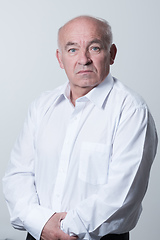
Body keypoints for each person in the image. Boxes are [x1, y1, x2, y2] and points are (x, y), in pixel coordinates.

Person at [2, 15, 158, 240]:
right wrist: (42, 223)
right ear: (60, 58)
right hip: (39, 234)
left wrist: (62, 229)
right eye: (72, 49)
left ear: (111, 54)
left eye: (94, 48)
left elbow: (122, 196)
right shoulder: (42, 106)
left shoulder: (132, 110)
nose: (83, 59)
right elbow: (18, 174)